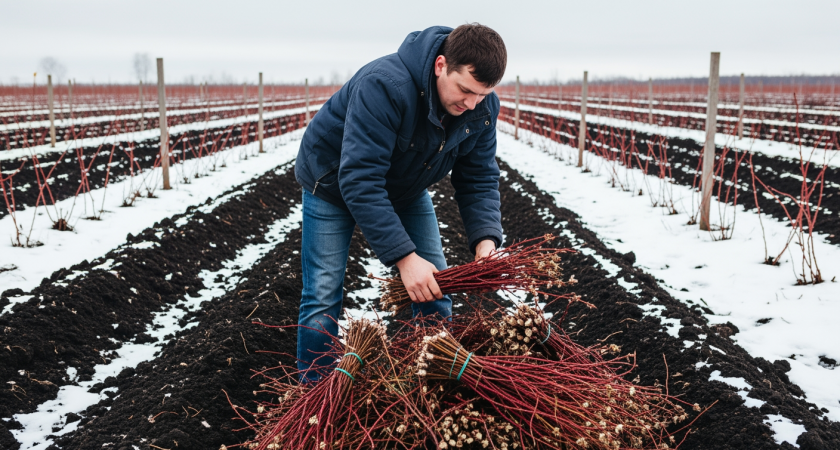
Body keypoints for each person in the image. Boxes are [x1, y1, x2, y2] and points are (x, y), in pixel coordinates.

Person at [294, 23, 507, 382]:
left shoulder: (482, 109)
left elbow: (479, 177)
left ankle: (422, 381)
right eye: (465, 90)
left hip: (405, 187)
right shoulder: (384, 86)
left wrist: (487, 242)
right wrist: (405, 259)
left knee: (435, 288)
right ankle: (315, 393)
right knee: (323, 294)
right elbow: (360, 179)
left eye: (482, 95)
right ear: (441, 65)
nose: (471, 104)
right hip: (330, 182)